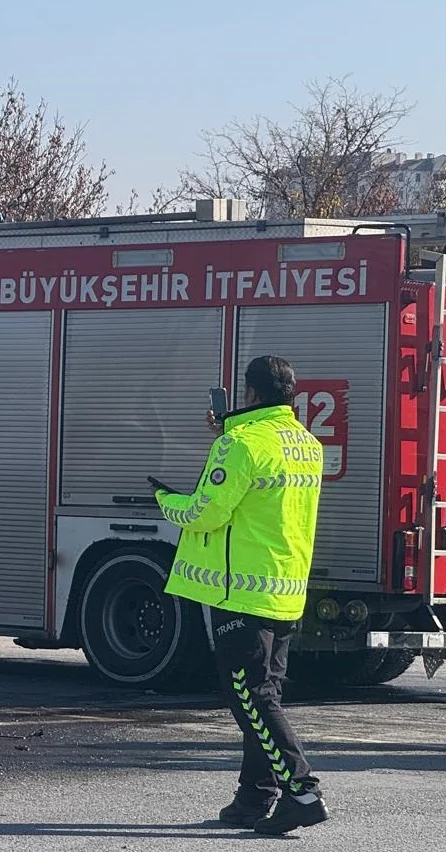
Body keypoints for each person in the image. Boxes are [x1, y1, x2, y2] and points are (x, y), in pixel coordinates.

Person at [151, 356, 327, 836]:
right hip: (285, 589)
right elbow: (256, 493)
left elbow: (206, 513)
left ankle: (302, 791)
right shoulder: (307, 444)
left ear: (249, 394)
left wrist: (165, 501)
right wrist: (225, 439)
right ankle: (255, 798)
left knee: (252, 698)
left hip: (240, 591)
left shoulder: (240, 444)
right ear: (290, 393)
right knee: (264, 694)